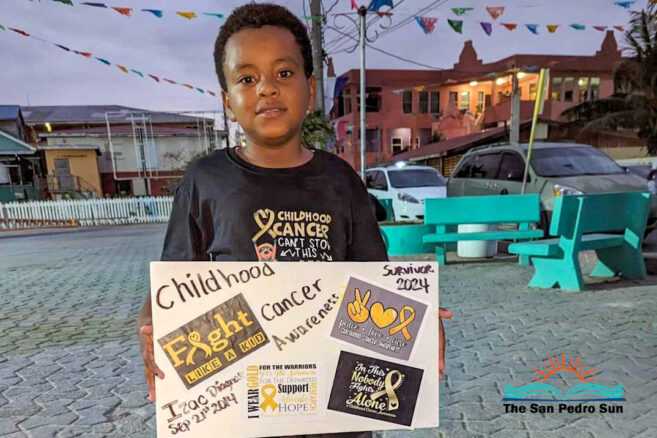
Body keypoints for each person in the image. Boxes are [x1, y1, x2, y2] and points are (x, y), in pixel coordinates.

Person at [136, 2, 453, 432]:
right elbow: (172, 284)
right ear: (228, 100)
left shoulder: (340, 179)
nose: (267, 88)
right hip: (241, 405)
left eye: (283, 73)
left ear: (309, 87)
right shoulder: (204, 180)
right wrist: (150, 320)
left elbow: (376, 280)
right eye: (247, 78)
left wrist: (415, 322)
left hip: (335, 404)